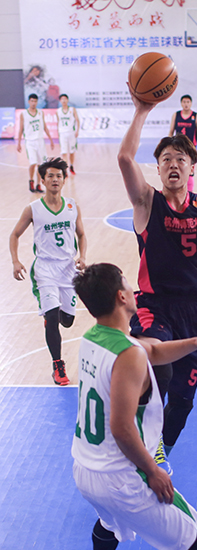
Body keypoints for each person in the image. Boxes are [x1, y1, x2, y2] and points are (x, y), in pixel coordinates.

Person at [72, 263, 197, 550]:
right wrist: (153, 470)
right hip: (120, 476)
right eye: (127, 283)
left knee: (110, 520)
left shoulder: (94, 337)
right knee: (192, 539)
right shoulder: (128, 354)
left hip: (84, 467)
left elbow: (153, 350)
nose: (133, 287)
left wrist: (196, 342)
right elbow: (122, 428)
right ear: (121, 296)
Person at [118, 90, 197, 458]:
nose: (173, 164)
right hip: (153, 306)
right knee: (160, 371)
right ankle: (132, 440)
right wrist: (141, 111)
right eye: (166, 159)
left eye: (180, 159)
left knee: (184, 400)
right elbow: (124, 158)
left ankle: (160, 454)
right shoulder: (146, 202)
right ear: (157, 168)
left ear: (191, 168)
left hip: (190, 311)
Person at [9, 157, 87, 385]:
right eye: (50, 176)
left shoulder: (72, 206)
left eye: (58, 176)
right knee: (52, 316)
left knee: (68, 320)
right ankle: (58, 365)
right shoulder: (33, 209)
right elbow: (14, 235)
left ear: (64, 180)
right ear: (42, 180)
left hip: (68, 269)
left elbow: (82, 234)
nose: (55, 179)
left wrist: (82, 256)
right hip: (45, 270)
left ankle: (51, 314)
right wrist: (15, 261)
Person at [17, 93, 55, 193]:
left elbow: (45, 126)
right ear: (29, 102)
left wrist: (50, 139)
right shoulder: (24, 114)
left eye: (35, 101)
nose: (33, 103)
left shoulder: (40, 113)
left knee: (41, 165)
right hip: (30, 142)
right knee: (33, 163)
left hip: (40, 141)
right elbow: (21, 129)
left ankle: (38, 185)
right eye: (32, 101)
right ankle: (31, 181)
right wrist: (19, 143)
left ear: (37, 102)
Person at [169, 95, 197, 191]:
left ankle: (189, 193)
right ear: (181, 103)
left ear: (191, 103)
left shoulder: (196, 117)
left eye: (188, 102)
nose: (186, 104)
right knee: (178, 171)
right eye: (184, 102)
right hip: (177, 148)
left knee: (190, 172)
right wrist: (168, 147)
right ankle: (178, 192)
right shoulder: (176, 115)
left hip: (190, 149)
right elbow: (171, 132)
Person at [57, 94, 80, 175]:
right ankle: (65, 169)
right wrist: (58, 132)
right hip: (62, 133)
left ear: (67, 100)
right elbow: (58, 122)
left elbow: (77, 120)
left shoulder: (72, 109)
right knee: (64, 152)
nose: (63, 101)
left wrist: (77, 130)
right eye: (62, 99)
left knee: (72, 151)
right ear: (60, 101)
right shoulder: (58, 111)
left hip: (71, 133)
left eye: (65, 99)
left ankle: (71, 165)